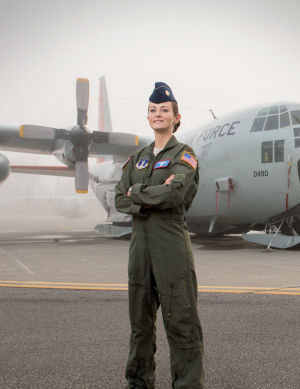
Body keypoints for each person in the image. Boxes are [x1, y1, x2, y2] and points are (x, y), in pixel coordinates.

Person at [115, 82, 204, 389]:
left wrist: (137, 192)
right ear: (148, 116)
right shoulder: (137, 156)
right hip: (139, 252)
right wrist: (152, 195)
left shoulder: (184, 155)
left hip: (171, 251)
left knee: (182, 324)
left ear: (176, 117)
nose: (158, 115)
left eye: (164, 110)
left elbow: (176, 193)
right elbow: (118, 198)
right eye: (153, 110)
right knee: (139, 326)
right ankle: (138, 383)